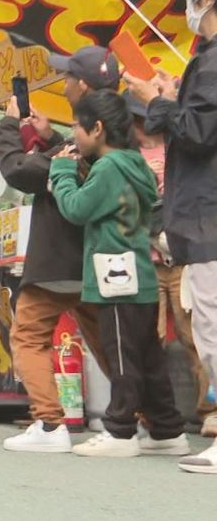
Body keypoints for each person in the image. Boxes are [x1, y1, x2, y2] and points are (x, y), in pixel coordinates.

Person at [49, 90, 188, 457]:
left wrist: (62, 172)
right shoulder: (135, 163)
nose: (74, 134)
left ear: (97, 128)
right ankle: (167, 429)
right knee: (148, 356)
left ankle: (121, 430)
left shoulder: (108, 168)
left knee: (121, 355)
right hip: (139, 270)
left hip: (114, 276)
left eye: (77, 127)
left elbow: (77, 208)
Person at [0, 47, 119, 453]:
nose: (62, 81)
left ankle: (50, 424)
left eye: (68, 76)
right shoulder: (116, 131)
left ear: (82, 85)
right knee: (109, 341)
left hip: (56, 261)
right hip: (97, 259)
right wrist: (50, 137)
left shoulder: (77, 147)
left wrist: (10, 124)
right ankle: (141, 418)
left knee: (28, 336)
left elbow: (18, 169)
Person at [126, 0, 217, 473]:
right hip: (201, 220)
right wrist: (173, 95)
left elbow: (198, 133)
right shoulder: (203, 61)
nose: (185, 2)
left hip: (207, 219)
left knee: (211, 327)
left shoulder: (211, 59)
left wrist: (157, 102)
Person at [127, 92, 217, 435]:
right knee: (149, 337)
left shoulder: (180, 148)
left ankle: (209, 409)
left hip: (181, 257)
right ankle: (148, 411)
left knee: (196, 334)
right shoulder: (132, 158)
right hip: (148, 259)